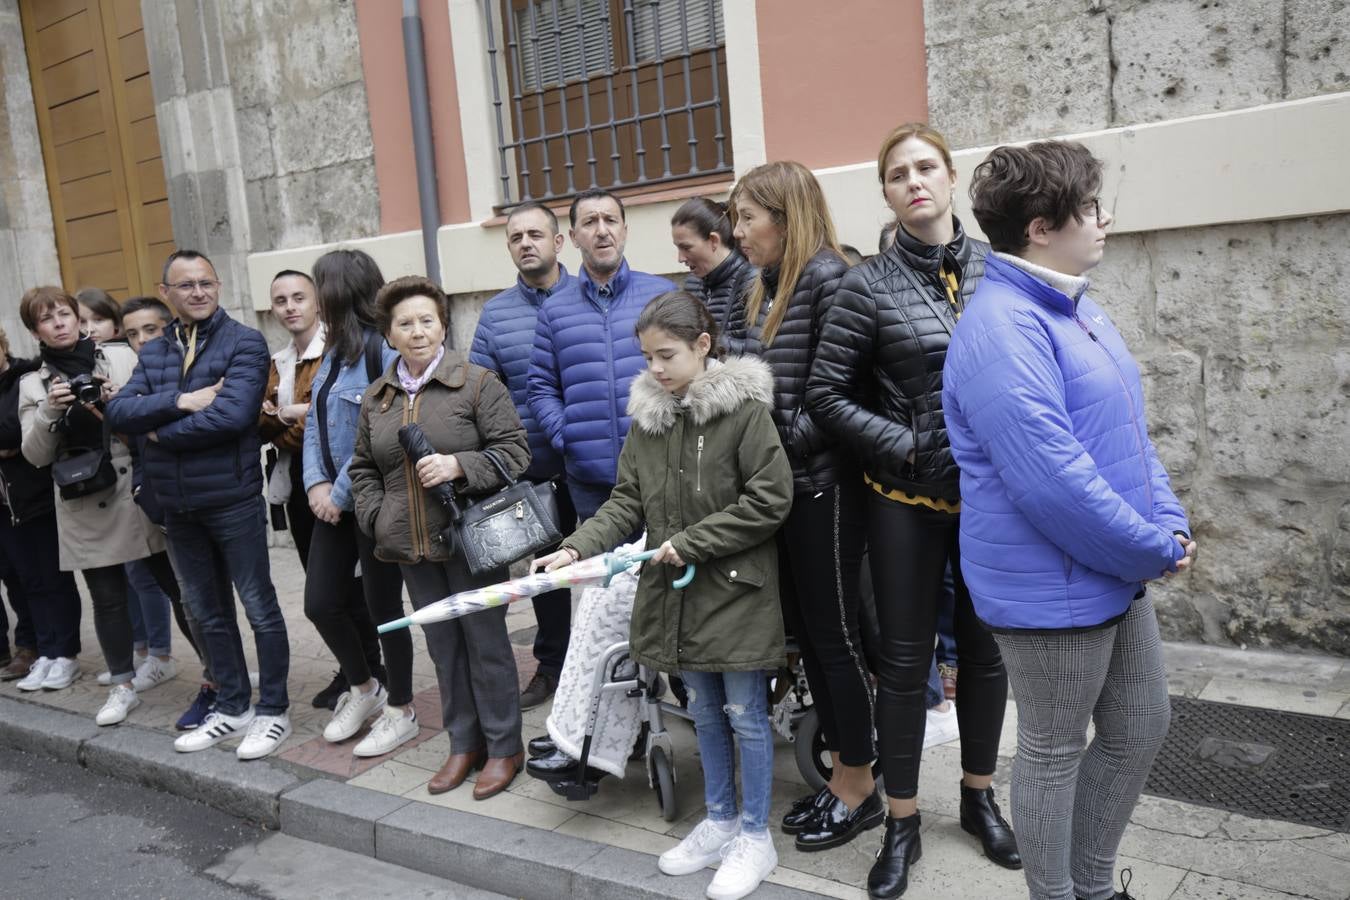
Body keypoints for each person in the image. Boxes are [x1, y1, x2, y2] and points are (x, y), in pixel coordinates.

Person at [944, 141, 1196, 900]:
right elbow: (1054, 483)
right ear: (1042, 226)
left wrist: (1170, 521)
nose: (1106, 216)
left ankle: (1091, 885)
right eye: (1090, 207)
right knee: (1053, 751)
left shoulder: (1073, 303)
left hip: (1114, 566)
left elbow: (1127, 434)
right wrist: (1150, 548)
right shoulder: (1000, 330)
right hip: (1051, 584)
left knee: (1140, 726)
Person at [807, 124, 1016, 897]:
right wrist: (905, 446)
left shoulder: (1000, 270)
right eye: (898, 174)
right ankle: (900, 820)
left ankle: (978, 797)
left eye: (926, 167)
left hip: (993, 501)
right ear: (888, 193)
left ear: (952, 177)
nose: (914, 181)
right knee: (903, 663)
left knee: (987, 654)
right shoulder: (866, 286)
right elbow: (825, 396)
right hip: (904, 499)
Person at [535, 291, 792, 900]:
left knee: (747, 718)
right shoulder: (650, 421)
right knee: (702, 711)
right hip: (678, 596)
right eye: (647, 357)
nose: (655, 369)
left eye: (666, 355)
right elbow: (627, 500)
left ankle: (756, 836)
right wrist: (576, 547)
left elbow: (769, 499)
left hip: (735, 592)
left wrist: (694, 541)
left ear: (703, 347)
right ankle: (721, 820)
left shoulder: (744, 414)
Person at [728, 161, 876, 853]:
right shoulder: (759, 287)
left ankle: (859, 785)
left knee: (836, 639)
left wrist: (772, 440)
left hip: (822, 487)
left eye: (746, 219)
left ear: (784, 218)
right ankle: (847, 770)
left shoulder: (830, 278)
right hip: (781, 488)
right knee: (813, 641)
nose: (737, 233)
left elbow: (834, 397)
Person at [348, 275, 530, 798]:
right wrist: (377, 516)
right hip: (409, 546)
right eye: (405, 323)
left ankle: (503, 749)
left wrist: (458, 465)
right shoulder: (378, 398)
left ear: (443, 325)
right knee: (444, 649)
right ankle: (462, 746)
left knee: (487, 646)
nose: (418, 330)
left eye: (427, 319)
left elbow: (516, 451)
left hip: (471, 542)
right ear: (389, 334)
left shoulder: (476, 382)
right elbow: (363, 467)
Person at [107, 250, 292, 760]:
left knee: (260, 608)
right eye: (185, 285)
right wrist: (182, 402)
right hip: (177, 506)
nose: (198, 292)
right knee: (207, 612)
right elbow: (119, 410)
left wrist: (157, 434)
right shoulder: (156, 350)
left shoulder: (245, 343)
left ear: (218, 286)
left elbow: (233, 418)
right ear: (165, 293)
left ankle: (273, 710)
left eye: (206, 282)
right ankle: (233, 706)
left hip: (232, 500)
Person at [17, 287, 170, 726]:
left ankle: (218, 675)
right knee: (108, 598)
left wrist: (117, 399)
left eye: (65, 314)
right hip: (85, 500)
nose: (60, 323)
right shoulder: (33, 384)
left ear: (78, 319)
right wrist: (49, 410)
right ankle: (122, 686)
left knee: (178, 587)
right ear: (36, 330)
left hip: (140, 492)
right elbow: (34, 455)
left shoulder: (119, 357)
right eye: (48, 319)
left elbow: (155, 410)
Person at [470, 201, 577, 712]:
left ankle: (630, 668)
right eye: (516, 237)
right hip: (532, 469)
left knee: (616, 573)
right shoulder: (494, 316)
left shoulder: (591, 297)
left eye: (536, 233)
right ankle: (553, 666)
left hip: (596, 464)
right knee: (544, 576)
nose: (526, 243)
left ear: (560, 242)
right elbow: (481, 396)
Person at [301, 249, 402, 754]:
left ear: (338, 291)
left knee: (384, 609)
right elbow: (314, 429)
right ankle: (365, 689)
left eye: (318, 287)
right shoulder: (333, 352)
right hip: (331, 504)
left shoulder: (382, 351)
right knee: (320, 603)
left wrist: (337, 493)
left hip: (372, 502)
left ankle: (401, 708)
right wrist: (316, 486)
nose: (313, 298)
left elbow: (380, 432)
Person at [526, 188, 674, 522]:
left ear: (625, 230)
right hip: (589, 480)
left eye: (610, 220)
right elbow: (540, 385)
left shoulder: (662, 294)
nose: (602, 230)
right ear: (575, 236)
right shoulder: (554, 309)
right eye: (590, 222)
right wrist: (568, 436)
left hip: (660, 469)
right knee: (605, 572)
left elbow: (691, 373)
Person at [76, 288, 185, 696]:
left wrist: (127, 410)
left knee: (174, 585)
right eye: (82, 322)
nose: (89, 330)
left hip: (169, 489)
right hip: (132, 489)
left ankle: (163, 655)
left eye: (96, 321)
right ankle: (144, 654)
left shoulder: (154, 364)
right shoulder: (103, 365)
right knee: (135, 577)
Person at [118, 295, 214, 727]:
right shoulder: (137, 379)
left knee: (241, 600)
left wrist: (161, 415)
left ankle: (241, 683)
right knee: (190, 601)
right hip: (165, 508)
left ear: (169, 329)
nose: (141, 341)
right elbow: (127, 427)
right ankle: (215, 679)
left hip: (216, 500)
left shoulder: (195, 363)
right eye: (132, 334)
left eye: (150, 330)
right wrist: (145, 492)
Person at [0, 323, 83, 685]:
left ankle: (65, 653)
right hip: (7, 501)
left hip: (37, 493)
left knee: (53, 578)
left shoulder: (26, 377)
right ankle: (45, 652)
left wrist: (12, 443)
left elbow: (17, 434)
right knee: (27, 579)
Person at [671, 196, 756, 356]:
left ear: (713, 240)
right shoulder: (692, 284)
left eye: (686, 247)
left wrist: (703, 344)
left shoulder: (752, 281)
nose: (680, 258)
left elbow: (761, 352)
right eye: (678, 248)